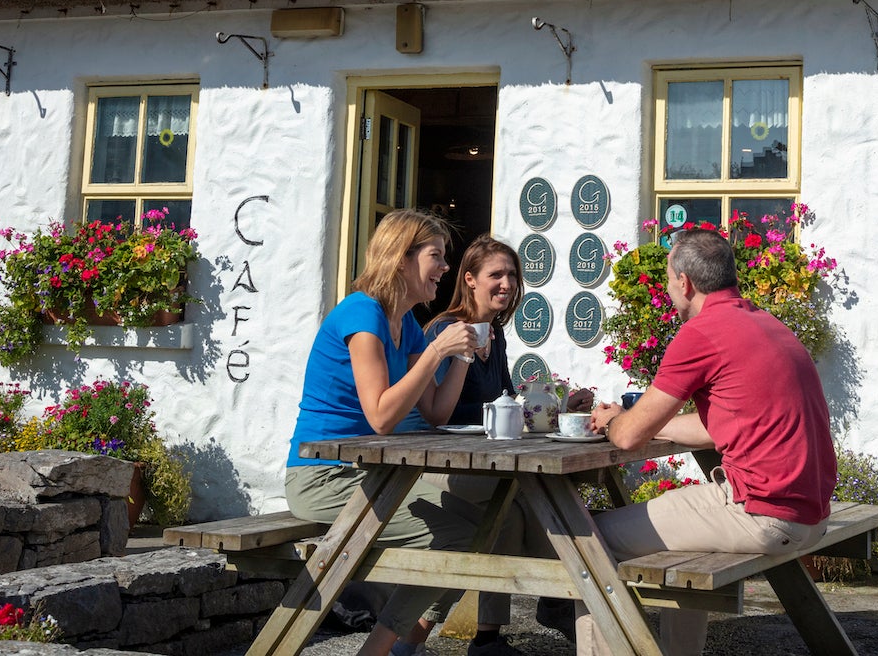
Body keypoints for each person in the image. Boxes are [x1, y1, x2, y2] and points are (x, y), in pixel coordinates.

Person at [584, 227, 838, 656]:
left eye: (667, 280)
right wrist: (651, 424)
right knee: (681, 548)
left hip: (762, 513)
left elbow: (626, 438)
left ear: (685, 282)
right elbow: (716, 428)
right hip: (811, 515)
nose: (667, 290)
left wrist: (616, 421)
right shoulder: (765, 322)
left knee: (587, 537)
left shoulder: (701, 333)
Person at [285, 209, 484, 656]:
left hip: (367, 474)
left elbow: (433, 412)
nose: (445, 268)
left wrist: (463, 355)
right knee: (456, 536)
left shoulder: (406, 322)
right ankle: (381, 649)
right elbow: (380, 416)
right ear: (401, 258)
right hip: (321, 475)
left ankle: (400, 644)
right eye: (437, 256)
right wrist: (437, 349)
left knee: (480, 528)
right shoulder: (362, 313)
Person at [396, 235, 587, 656]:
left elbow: (505, 404)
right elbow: (435, 414)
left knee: (514, 509)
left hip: (482, 463)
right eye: (495, 275)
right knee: (514, 505)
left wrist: (556, 407)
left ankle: (491, 633)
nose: (506, 283)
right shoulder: (445, 331)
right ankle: (557, 600)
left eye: (512, 275)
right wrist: (465, 354)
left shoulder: (495, 335)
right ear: (469, 280)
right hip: (438, 464)